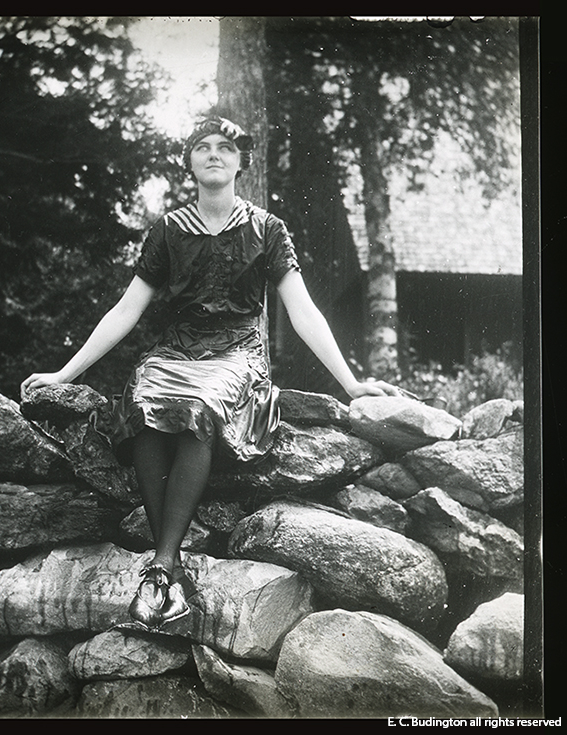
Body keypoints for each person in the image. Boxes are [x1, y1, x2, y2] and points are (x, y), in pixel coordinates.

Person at [21, 115, 400, 631]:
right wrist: (65, 373)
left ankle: (159, 566)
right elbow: (126, 310)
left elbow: (303, 310)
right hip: (174, 351)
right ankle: (169, 569)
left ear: (242, 161)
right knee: (140, 404)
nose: (215, 155)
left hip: (237, 352)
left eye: (226, 147)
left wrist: (351, 383)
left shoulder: (266, 229)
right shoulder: (170, 230)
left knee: (201, 407)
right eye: (203, 147)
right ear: (190, 162)